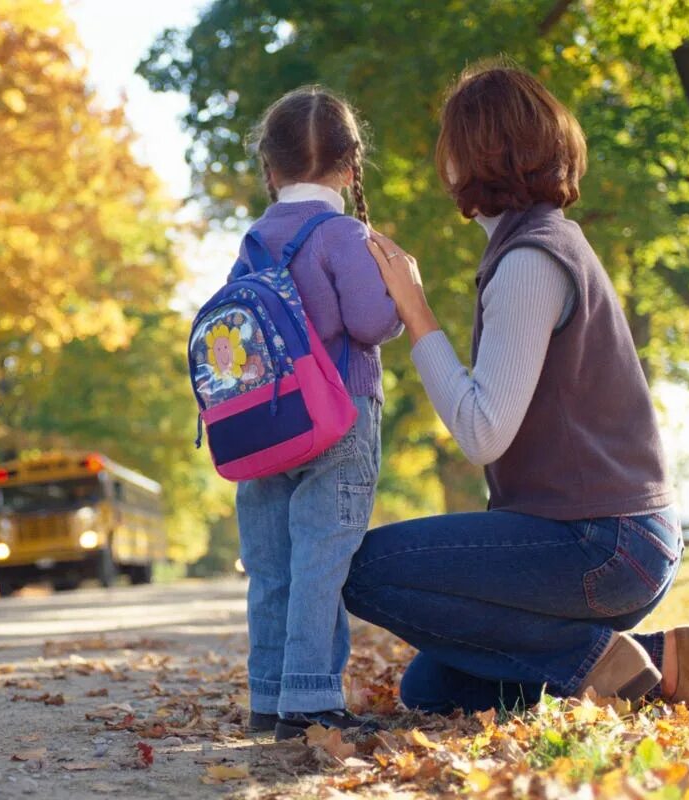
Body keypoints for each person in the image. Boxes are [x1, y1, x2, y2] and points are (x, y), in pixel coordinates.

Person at [343, 63, 689, 714]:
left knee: (361, 569)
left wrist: (416, 310)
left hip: (604, 546)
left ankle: (586, 658)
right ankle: (667, 659)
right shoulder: (540, 246)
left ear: (466, 160)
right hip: (618, 541)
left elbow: (481, 430)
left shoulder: (530, 261)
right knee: (433, 687)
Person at [233, 86, 403, 740]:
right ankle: (308, 703)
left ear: (269, 170)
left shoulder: (255, 237)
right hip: (338, 417)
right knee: (320, 565)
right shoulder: (342, 234)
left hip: (263, 425)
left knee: (271, 570)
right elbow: (368, 321)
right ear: (350, 166)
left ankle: (269, 695)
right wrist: (396, 298)